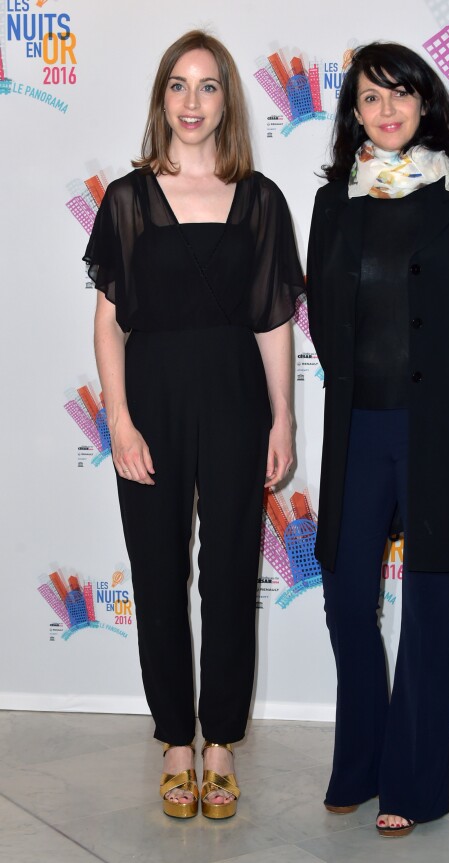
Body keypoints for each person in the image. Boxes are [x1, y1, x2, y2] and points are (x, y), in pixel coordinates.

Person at [86, 30, 303, 820]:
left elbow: (273, 322)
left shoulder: (261, 199)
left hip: (237, 396)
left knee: (228, 575)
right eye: (178, 85)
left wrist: (283, 415)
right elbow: (109, 324)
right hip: (150, 398)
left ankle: (220, 744)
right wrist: (118, 416)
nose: (191, 102)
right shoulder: (128, 199)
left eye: (208, 87)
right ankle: (175, 741)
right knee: (155, 571)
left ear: (227, 102)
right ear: (161, 98)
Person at [306, 42, 449, 837]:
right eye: (369, 97)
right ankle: (359, 760)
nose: (386, 109)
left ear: (425, 104)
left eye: (400, 95)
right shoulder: (335, 202)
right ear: (353, 113)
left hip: (438, 431)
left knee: (430, 606)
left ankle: (413, 782)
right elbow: (324, 322)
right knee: (346, 600)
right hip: (359, 429)